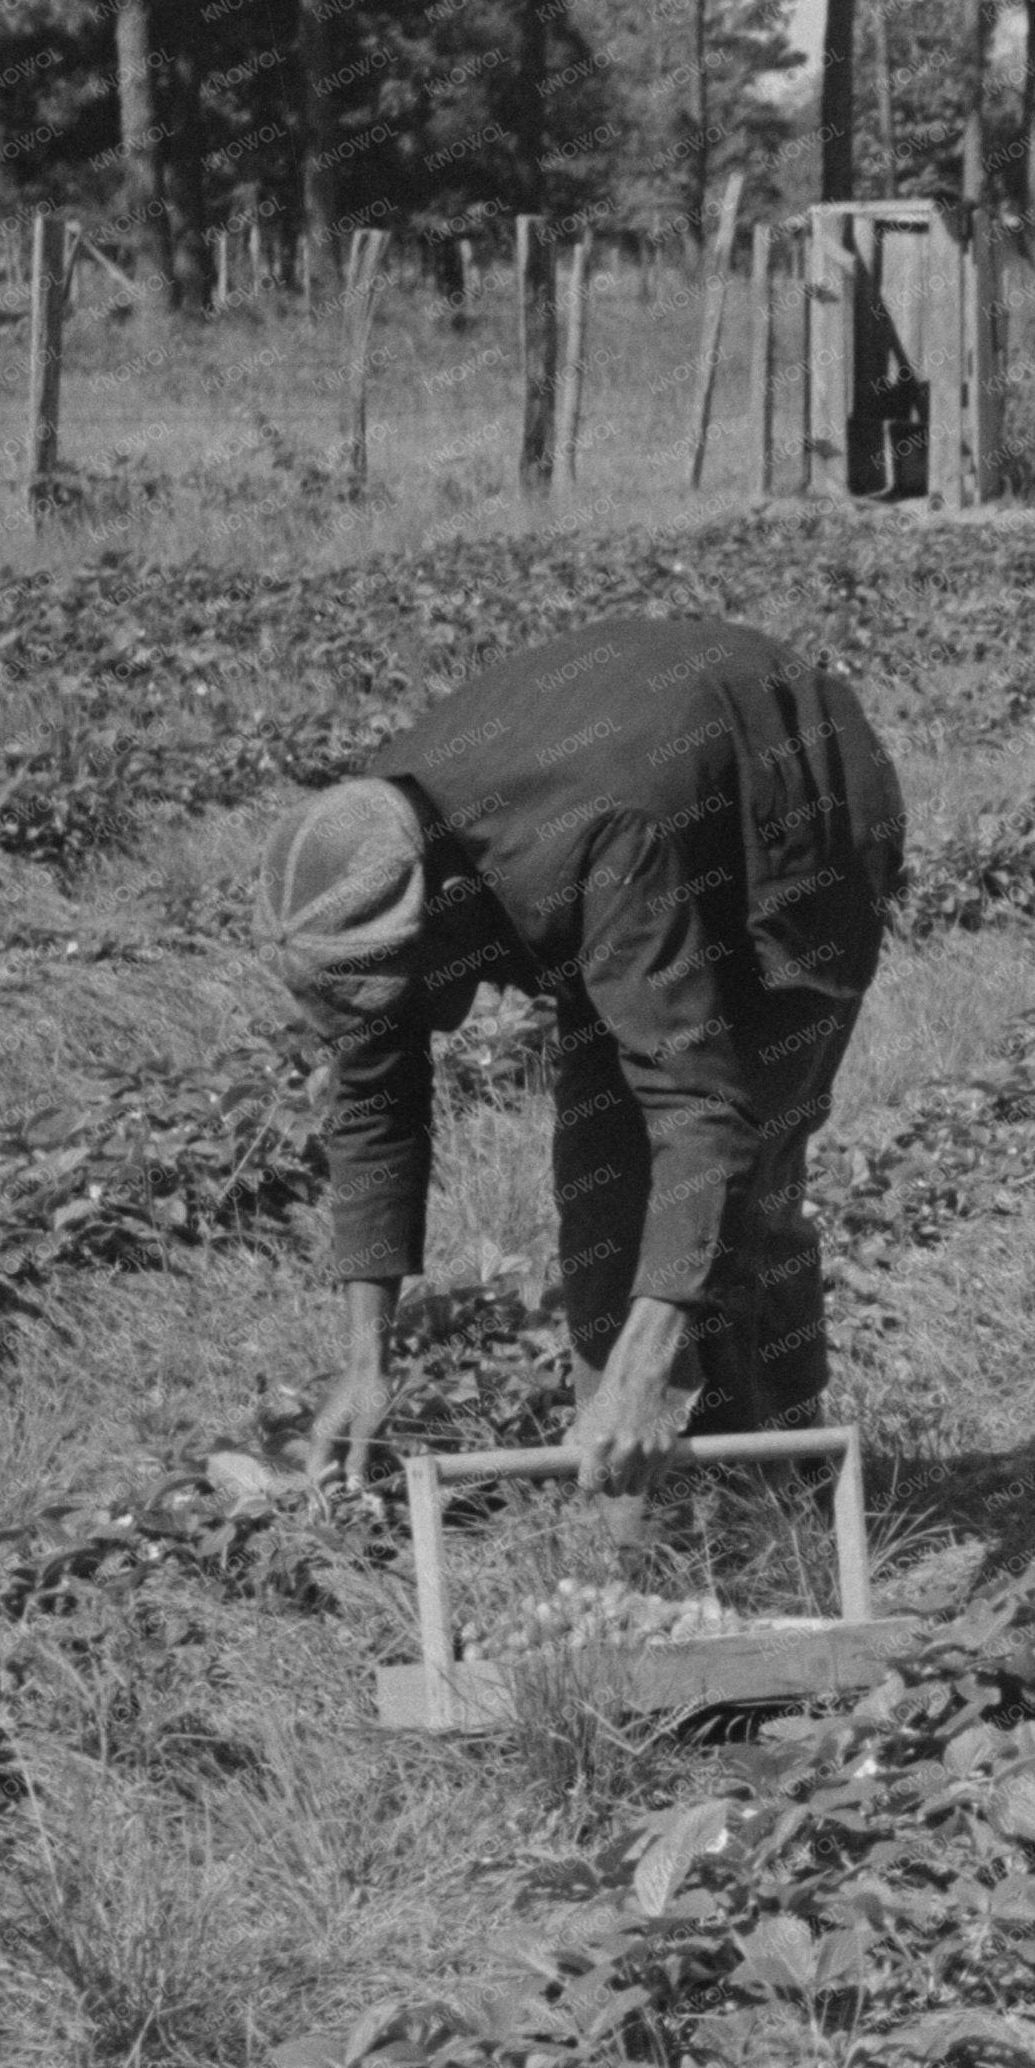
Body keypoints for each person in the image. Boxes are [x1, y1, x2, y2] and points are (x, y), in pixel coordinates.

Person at [257, 619, 905, 1500]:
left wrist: (649, 1359)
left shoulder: (602, 844)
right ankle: (651, 1524)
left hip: (787, 821)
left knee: (739, 1184)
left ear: (446, 908)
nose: (401, 1013)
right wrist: (366, 1360)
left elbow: (702, 1111)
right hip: (647, 825)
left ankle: (773, 1495)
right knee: (607, 1195)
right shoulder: (374, 860)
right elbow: (376, 1101)